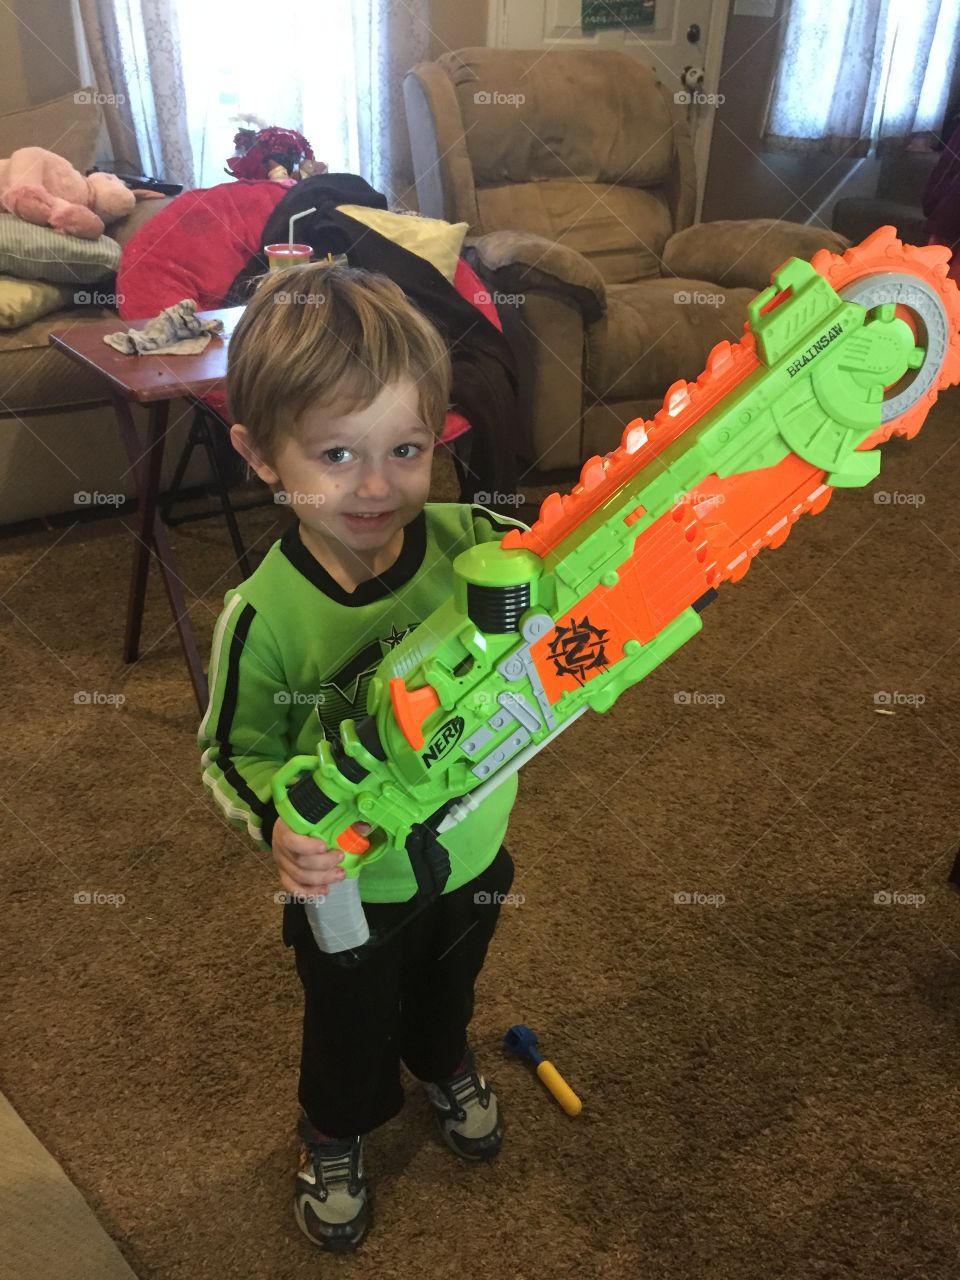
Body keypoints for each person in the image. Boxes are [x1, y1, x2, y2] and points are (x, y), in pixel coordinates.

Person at [197, 262, 524, 1253]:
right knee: (348, 1021)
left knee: (452, 983)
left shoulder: (476, 547)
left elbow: (578, 576)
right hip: (351, 888)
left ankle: (443, 1056)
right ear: (260, 455)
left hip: (473, 853)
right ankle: (334, 1129)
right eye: (336, 453)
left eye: (406, 449)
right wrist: (277, 824)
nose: (376, 486)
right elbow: (233, 751)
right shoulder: (265, 616)